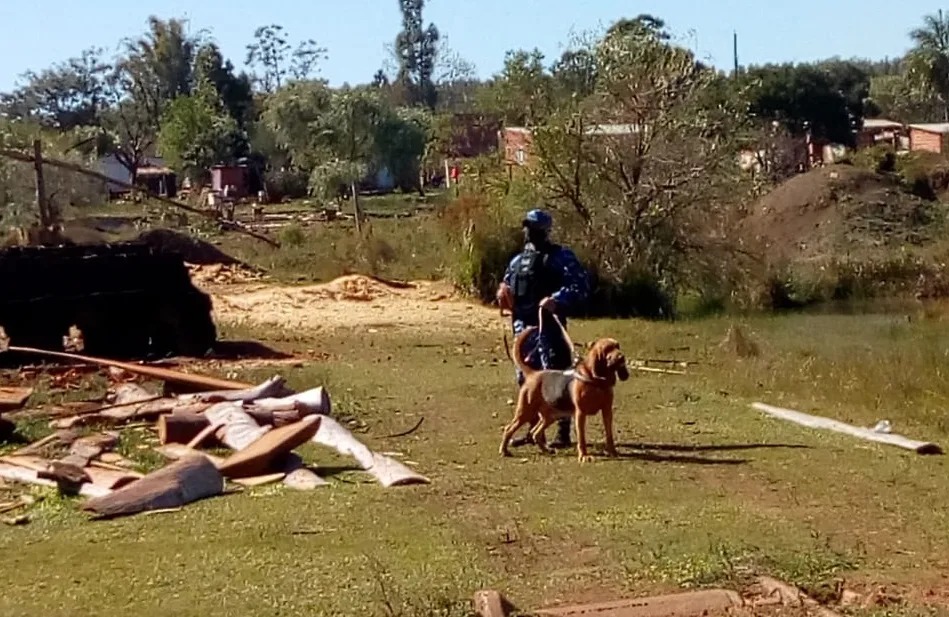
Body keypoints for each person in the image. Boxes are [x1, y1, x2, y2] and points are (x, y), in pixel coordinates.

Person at [496, 208, 590, 448]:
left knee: (557, 377)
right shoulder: (517, 261)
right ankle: (533, 430)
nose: (528, 232)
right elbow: (507, 283)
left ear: (544, 231)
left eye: (534, 228)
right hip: (522, 326)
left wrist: (557, 299)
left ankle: (563, 433)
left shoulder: (560, 257)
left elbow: (580, 284)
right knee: (526, 379)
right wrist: (502, 292)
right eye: (527, 226)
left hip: (549, 326)